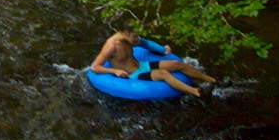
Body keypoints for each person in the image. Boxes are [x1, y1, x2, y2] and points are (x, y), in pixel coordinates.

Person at [90, 28, 218, 97]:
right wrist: (114, 71)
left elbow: (146, 44)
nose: (137, 39)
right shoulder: (111, 46)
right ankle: (196, 92)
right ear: (125, 33)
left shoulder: (130, 39)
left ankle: (210, 80)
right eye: (134, 36)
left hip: (141, 65)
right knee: (163, 73)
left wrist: (163, 50)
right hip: (132, 74)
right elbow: (95, 67)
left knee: (176, 64)